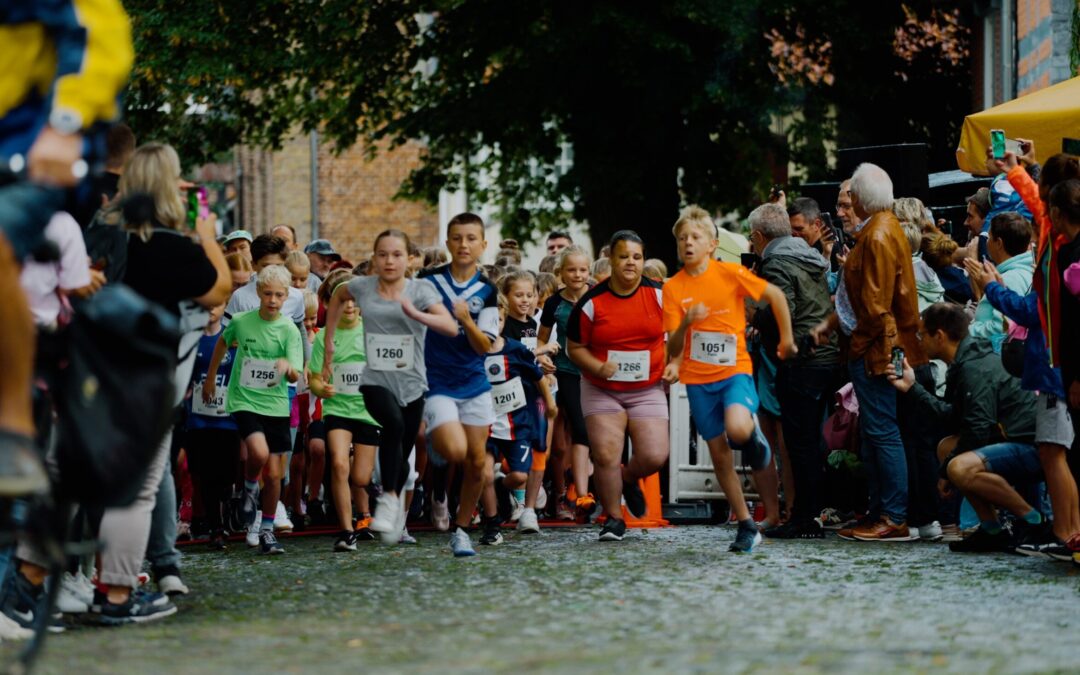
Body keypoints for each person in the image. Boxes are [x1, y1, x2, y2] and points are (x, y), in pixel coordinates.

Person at [664, 206, 797, 552]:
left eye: (695, 237)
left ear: (712, 243)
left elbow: (776, 296)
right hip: (697, 381)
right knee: (719, 454)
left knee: (738, 428)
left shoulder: (730, 274)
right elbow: (673, 345)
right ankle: (745, 524)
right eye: (682, 239)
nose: (688, 244)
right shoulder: (674, 288)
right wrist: (684, 327)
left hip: (734, 370)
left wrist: (786, 338)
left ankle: (754, 440)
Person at [812, 163, 926, 542]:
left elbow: (876, 308)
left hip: (874, 348)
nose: (846, 205)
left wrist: (857, 348)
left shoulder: (876, 235)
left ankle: (891, 516)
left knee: (881, 431)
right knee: (879, 432)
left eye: (850, 198)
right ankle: (882, 512)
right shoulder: (884, 228)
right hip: (876, 345)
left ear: (860, 198)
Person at [975, 149, 1080, 560]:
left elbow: (1037, 311)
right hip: (1058, 363)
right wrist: (1021, 171)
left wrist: (992, 288)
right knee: (1057, 453)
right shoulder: (1059, 240)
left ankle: (1067, 532)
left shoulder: (1059, 248)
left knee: (1055, 453)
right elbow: (1039, 205)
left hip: (1058, 364)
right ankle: (1068, 533)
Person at [322, 230, 458, 545]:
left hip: (412, 384)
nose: (389, 261)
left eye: (396, 254)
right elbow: (339, 296)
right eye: (382, 254)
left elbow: (450, 327)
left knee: (404, 446)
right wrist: (329, 340)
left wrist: (415, 313)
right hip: (374, 381)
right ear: (374, 257)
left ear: (409, 258)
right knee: (392, 425)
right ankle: (389, 498)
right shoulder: (362, 287)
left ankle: (393, 501)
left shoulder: (420, 290)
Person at [887, 303, 1041, 553]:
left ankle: (1034, 522)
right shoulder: (964, 361)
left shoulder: (973, 367)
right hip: (1008, 439)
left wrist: (946, 472)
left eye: (921, 334)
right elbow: (951, 418)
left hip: (1030, 447)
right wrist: (912, 388)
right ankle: (992, 528)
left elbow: (976, 430)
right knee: (945, 448)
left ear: (939, 336)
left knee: (958, 466)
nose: (919, 340)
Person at [566, 231, 670, 542]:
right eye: (624, 256)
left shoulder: (660, 295)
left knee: (654, 455)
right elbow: (574, 347)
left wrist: (674, 360)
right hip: (602, 387)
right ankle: (613, 518)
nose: (630, 263)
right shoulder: (591, 301)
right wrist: (598, 366)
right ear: (611, 260)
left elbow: (678, 332)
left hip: (647, 386)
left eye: (636, 257)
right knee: (606, 453)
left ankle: (626, 478)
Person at [747, 203, 839, 539]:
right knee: (809, 442)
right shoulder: (807, 254)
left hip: (801, 355)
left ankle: (804, 518)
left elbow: (781, 308)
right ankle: (809, 514)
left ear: (759, 237)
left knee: (800, 442)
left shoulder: (777, 260)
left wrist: (753, 315)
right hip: (825, 353)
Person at [204, 265, 304, 555]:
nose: (273, 300)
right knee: (258, 453)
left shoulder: (288, 329)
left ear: (286, 297)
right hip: (244, 399)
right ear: (258, 292)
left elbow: (296, 372)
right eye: (268, 293)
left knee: (274, 475)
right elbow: (222, 344)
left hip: (275, 404)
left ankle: (268, 530)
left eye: (279, 295)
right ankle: (249, 487)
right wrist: (211, 379)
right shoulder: (241, 320)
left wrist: (288, 369)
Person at [306, 274, 383, 552]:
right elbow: (314, 378)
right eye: (344, 301)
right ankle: (346, 530)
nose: (349, 306)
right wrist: (321, 387)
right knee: (339, 463)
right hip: (337, 409)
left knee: (360, 477)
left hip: (368, 412)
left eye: (355, 301)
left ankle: (370, 493)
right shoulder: (325, 337)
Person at [478, 298, 554, 544]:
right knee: (484, 474)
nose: (491, 326)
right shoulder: (471, 351)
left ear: (503, 321)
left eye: (497, 320)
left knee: (519, 476)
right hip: (483, 425)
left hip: (516, 423)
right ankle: (492, 525)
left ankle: (503, 487)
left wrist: (550, 404)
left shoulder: (516, 350)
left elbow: (537, 375)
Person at [539, 246, 594, 521]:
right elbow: (542, 339)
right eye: (571, 270)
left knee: (581, 434)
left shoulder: (597, 297)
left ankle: (577, 490)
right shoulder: (553, 304)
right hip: (565, 372)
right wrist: (545, 358)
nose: (577, 275)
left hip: (595, 372)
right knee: (567, 437)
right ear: (560, 272)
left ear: (590, 271)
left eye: (583, 270)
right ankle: (572, 495)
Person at [184, 303, 240, 551]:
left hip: (227, 418)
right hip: (198, 417)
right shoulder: (190, 340)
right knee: (205, 474)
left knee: (226, 474)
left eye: (216, 304)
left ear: (224, 305)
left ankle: (227, 510)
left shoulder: (232, 337)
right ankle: (216, 528)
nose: (210, 309)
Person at [963, 212, 1034, 353]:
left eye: (989, 238)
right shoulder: (1019, 271)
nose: (987, 242)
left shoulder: (1012, 278)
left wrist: (965, 332)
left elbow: (1000, 328)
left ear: (999, 243)